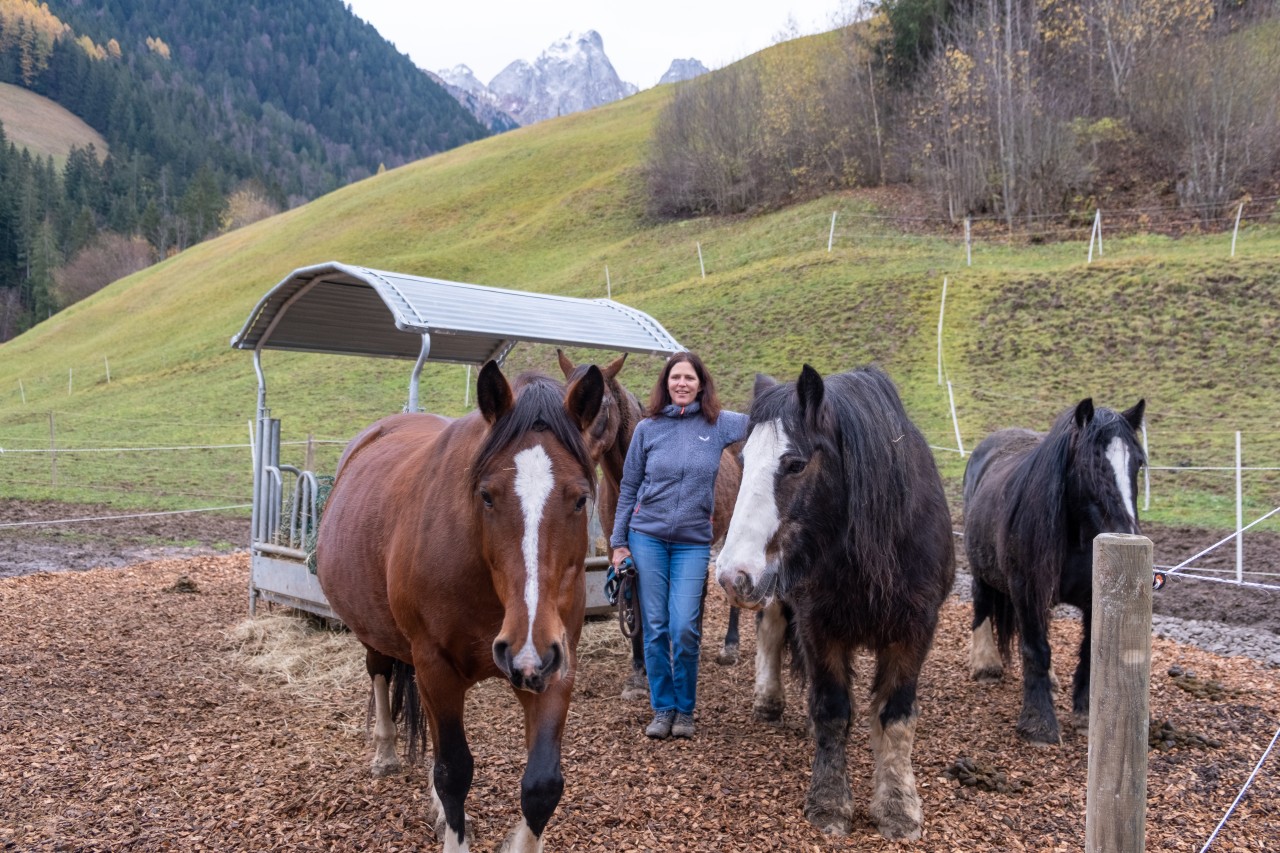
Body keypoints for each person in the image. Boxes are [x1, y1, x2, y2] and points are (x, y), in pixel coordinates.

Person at [609, 351, 748, 739]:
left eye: (689, 378)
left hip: (691, 543)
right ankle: (663, 708)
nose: (682, 384)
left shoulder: (719, 425)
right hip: (647, 536)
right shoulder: (647, 430)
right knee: (654, 626)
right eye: (675, 378)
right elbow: (629, 488)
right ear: (666, 384)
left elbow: (764, 422)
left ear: (701, 384)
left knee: (684, 627)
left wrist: (790, 402)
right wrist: (619, 542)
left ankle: (685, 709)